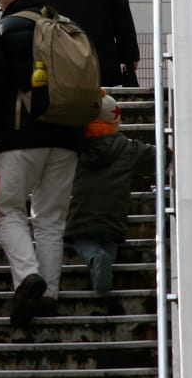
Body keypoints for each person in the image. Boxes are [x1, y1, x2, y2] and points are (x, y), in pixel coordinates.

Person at [0, 0, 84, 327]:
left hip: (20, 138)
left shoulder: (5, 30)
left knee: (5, 210)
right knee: (51, 219)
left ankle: (28, 277)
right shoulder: (66, 27)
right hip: (67, 137)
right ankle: (48, 294)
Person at [66, 92, 157, 295]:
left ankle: (94, 258)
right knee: (110, 241)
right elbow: (154, 157)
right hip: (115, 210)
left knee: (82, 240)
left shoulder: (76, 146)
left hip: (83, 208)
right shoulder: (128, 147)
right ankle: (103, 264)